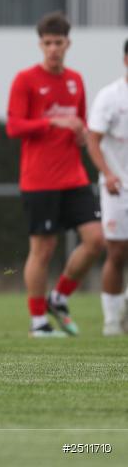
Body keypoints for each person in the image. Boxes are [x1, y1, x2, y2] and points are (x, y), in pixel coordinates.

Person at [5, 11, 104, 338]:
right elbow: (14, 126)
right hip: (39, 180)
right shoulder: (25, 80)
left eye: (58, 42)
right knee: (43, 250)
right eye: (47, 43)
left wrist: (79, 133)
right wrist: (53, 122)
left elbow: (81, 124)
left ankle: (59, 297)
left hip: (73, 176)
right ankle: (39, 323)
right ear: (40, 45)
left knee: (96, 241)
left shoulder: (75, 80)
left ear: (68, 43)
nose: (53, 49)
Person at [86, 38, 128, 335]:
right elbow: (92, 140)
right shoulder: (110, 97)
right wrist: (108, 175)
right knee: (117, 252)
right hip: (117, 187)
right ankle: (112, 322)